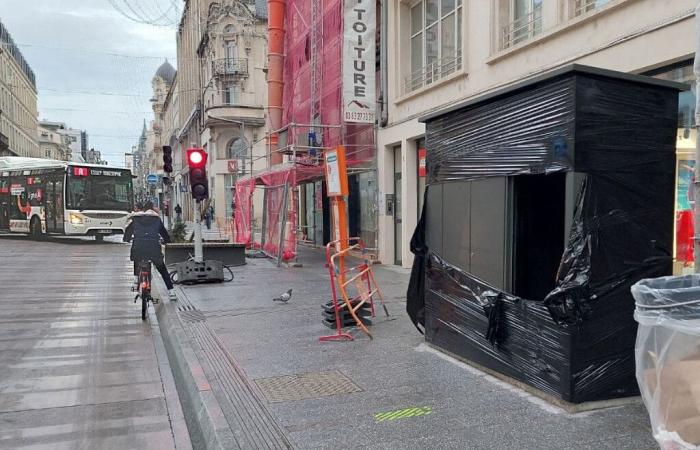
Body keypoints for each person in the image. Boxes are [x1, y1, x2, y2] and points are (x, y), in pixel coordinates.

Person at [123, 201, 176, 300]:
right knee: (162, 269)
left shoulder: (136, 218)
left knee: (137, 258)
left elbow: (128, 231)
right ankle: (171, 291)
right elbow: (164, 233)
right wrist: (167, 241)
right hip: (153, 248)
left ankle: (135, 279)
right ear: (152, 208)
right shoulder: (156, 219)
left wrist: (126, 239)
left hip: (138, 246)